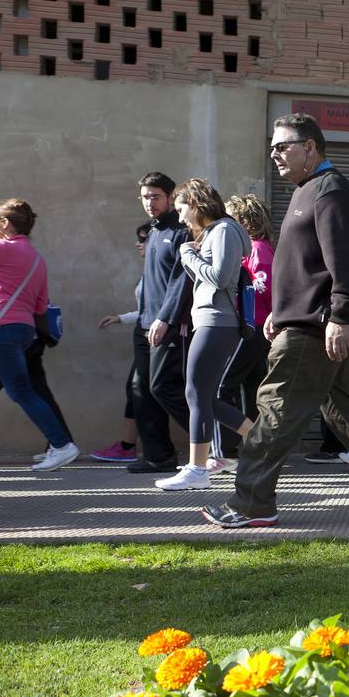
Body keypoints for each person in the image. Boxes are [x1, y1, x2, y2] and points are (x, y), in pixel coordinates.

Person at [202, 112, 349, 527]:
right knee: (345, 410)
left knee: (274, 412)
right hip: (304, 325)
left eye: (283, 146)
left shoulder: (329, 190)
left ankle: (251, 504)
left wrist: (340, 316)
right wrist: (280, 316)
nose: (275, 155)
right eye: (272, 149)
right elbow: (306, 266)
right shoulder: (308, 190)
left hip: (316, 330)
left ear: (310, 147)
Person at [0, 199, 80, 471]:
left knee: (21, 392)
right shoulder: (36, 258)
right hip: (23, 330)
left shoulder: (1, 248)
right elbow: (40, 305)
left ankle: (61, 445)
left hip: (2, 330)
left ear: (4, 224)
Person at [152, 179, 254, 491]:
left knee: (195, 393)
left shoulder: (222, 230)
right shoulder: (216, 232)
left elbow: (221, 278)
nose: (180, 217)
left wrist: (188, 255)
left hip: (216, 321)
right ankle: (263, 438)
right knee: (205, 397)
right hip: (211, 321)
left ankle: (197, 470)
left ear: (196, 204)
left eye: (182, 209)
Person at [121, 172, 193, 474]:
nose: (150, 203)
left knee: (165, 387)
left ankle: (221, 443)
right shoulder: (151, 232)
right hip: (145, 324)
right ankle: (158, 455)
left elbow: (181, 281)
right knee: (140, 389)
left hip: (167, 325)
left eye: (156, 197)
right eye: (145, 197)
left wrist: (168, 319)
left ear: (169, 196)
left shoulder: (181, 231)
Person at [215, 193, 275, 459]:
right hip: (253, 328)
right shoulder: (250, 249)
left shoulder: (258, 250)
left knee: (222, 387)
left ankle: (227, 450)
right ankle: (253, 447)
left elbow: (266, 290)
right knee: (251, 388)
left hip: (252, 328)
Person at [89, 221, 154, 464]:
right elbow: (146, 309)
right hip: (146, 333)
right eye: (138, 238)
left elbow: (159, 308)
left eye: (144, 238)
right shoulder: (148, 270)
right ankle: (128, 446)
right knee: (136, 389)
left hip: (158, 338)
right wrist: (122, 318)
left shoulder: (162, 268)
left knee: (159, 391)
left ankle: (212, 448)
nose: (139, 244)